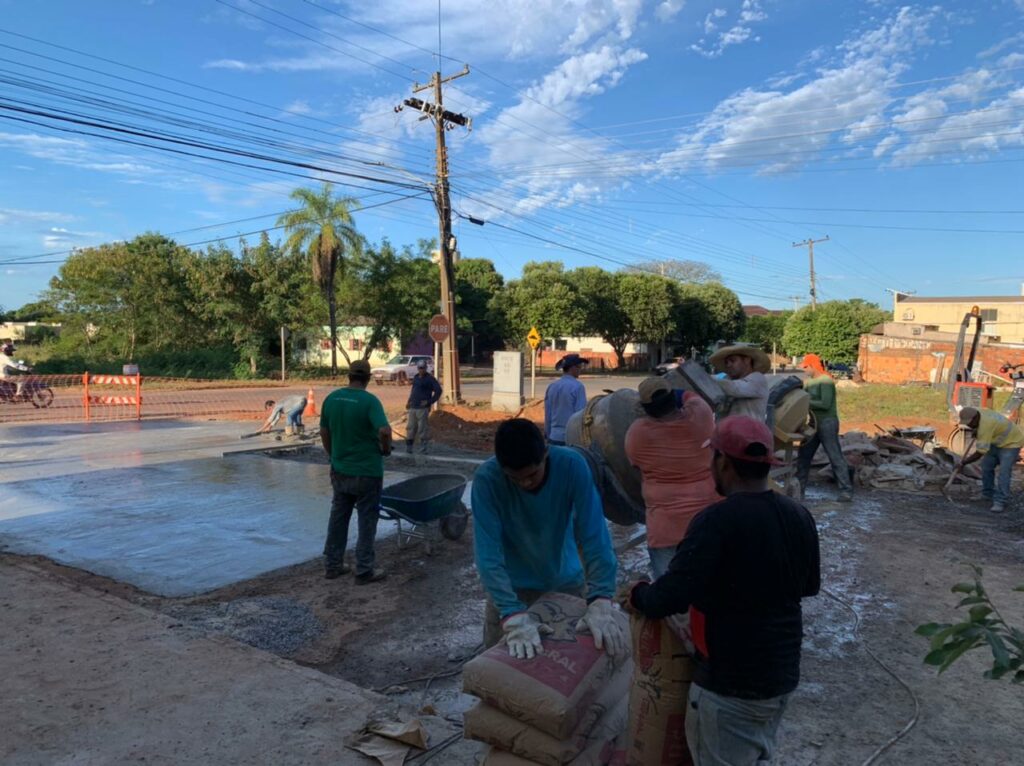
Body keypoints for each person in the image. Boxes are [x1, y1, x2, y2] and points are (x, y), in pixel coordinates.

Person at [626, 416, 820, 766]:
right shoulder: (799, 516)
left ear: (724, 463)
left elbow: (669, 597)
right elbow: (808, 587)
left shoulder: (715, 521)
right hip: (780, 676)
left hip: (729, 685)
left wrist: (636, 594)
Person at [471, 418, 625, 660]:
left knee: (572, 664)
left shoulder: (572, 466)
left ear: (545, 455)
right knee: (501, 668)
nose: (524, 483)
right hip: (511, 589)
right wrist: (512, 615)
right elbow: (488, 554)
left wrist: (601, 598)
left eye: (532, 475)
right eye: (514, 478)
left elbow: (595, 535)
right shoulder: (487, 480)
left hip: (565, 582)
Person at [625, 376, 720, 579]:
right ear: (672, 400)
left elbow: (635, 467)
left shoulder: (638, 433)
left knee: (671, 595)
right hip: (709, 520)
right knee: (710, 588)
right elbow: (688, 395)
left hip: (665, 527)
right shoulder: (701, 415)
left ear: (647, 409)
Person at [320, 360, 392, 583]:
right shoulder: (369, 401)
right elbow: (384, 430)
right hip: (367, 472)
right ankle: (363, 570)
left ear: (348, 376)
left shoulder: (332, 399)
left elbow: (324, 431)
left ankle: (332, 566)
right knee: (367, 519)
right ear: (368, 378)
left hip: (340, 470)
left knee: (339, 517)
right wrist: (385, 449)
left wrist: (333, 455)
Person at [795, 353, 854, 502]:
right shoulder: (808, 382)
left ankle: (846, 491)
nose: (805, 370)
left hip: (828, 422)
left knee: (834, 456)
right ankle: (799, 490)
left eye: (806, 367)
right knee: (803, 456)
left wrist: (806, 401)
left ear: (814, 366)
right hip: (812, 423)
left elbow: (825, 404)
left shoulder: (826, 381)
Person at [958, 406, 1024, 513]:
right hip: (996, 442)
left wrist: (963, 462)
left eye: (970, 423)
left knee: (1004, 472)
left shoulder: (985, 426)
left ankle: (1000, 501)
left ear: (975, 418)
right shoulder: (979, 412)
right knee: (986, 466)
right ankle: (987, 493)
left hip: (1012, 443)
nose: (968, 425)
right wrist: (976, 429)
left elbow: (979, 453)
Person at [708, 345, 770, 421]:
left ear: (747, 360)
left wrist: (707, 379)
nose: (728, 365)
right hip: (726, 431)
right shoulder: (728, 379)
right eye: (726, 362)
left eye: (733, 361)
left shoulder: (757, 378)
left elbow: (735, 388)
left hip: (748, 432)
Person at [544, 353, 588, 446]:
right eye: (579, 366)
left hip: (554, 436)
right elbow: (580, 415)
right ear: (572, 368)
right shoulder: (578, 387)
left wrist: (548, 435)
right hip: (570, 438)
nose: (580, 369)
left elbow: (548, 414)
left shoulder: (552, 386)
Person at [405, 360, 442, 454]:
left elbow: (438, 391)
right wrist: (409, 401)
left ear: (425, 368)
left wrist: (429, 402)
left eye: (422, 368)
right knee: (411, 427)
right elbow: (413, 390)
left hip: (422, 408)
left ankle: (423, 448)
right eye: (419, 368)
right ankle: (409, 447)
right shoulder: (416, 377)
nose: (421, 370)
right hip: (413, 406)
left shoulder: (430, 379)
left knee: (422, 428)